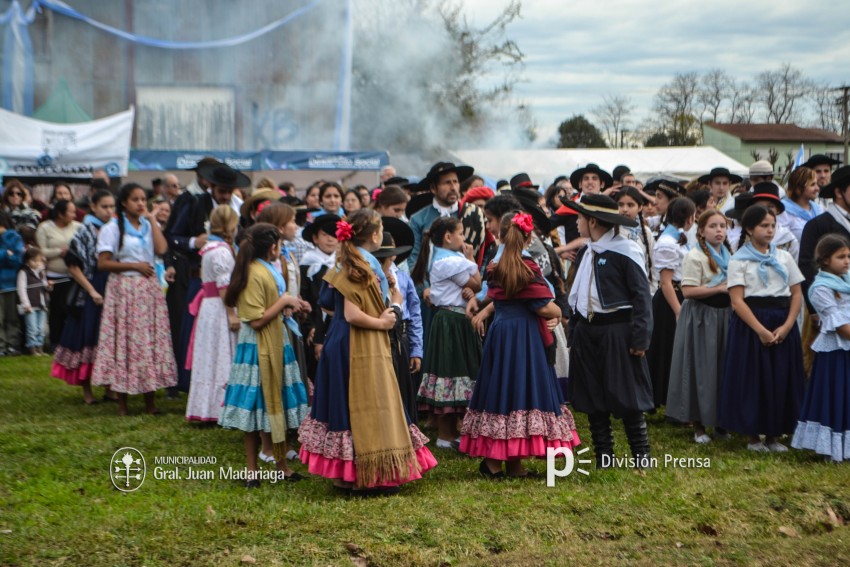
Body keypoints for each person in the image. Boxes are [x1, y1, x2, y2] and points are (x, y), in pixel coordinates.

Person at [299, 209, 437, 494]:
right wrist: (386, 318)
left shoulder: (344, 261)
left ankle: (345, 475)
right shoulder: (362, 265)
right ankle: (370, 476)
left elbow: (327, 304)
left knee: (345, 406)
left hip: (341, 339)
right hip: (359, 340)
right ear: (375, 235)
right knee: (370, 403)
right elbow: (352, 313)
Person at [459, 211, 580, 478]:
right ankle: (494, 464)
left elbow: (496, 298)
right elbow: (542, 307)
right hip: (523, 335)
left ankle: (508, 462)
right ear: (528, 238)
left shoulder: (495, 263)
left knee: (503, 389)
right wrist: (558, 313)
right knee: (522, 389)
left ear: (503, 236)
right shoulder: (526, 266)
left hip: (502, 333)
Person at [562, 194, 653, 468]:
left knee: (627, 394)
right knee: (592, 395)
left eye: (579, 218)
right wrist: (576, 331)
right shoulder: (586, 251)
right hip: (589, 331)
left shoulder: (626, 250)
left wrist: (641, 336)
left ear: (592, 220)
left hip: (617, 330)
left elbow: (642, 297)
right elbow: (580, 296)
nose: (576, 223)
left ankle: (641, 456)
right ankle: (605, 456)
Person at [218, 223, 303, 486]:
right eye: (279, 244)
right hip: (257, 347)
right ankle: (252, 471)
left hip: (275, 341)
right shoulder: (254, 273)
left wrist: (291, 304)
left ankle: (281, 466)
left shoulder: (265, 268)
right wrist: (284, 302)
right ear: (272, 246)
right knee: (255, 411)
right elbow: (255, 319)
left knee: (275, 405)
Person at [718, 205, 805, 452]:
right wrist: (760, 330)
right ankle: (753, 436)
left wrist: (788, 325)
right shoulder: (739, 259)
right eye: (763, 226)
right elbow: (737, 300)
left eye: (772, 226)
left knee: (780, 376)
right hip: (751, 324)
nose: (769, 231)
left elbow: (796, 293)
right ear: (749, 228)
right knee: (753, 378)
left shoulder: (784, 257)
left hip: (781, 318)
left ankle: (774, 435)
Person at [164, 161, 249, 394]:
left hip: (228, 278)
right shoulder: (192, 202)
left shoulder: (237, 207)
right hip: (198, 277)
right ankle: (188, 382)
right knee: (192, 330)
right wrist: (193, 242)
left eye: (229, 192)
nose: (225, 197)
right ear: (210, 186)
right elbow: (171, 235)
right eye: (221, 192)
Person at [91, 183, 177, 416]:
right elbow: (103, 263)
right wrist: (134, 266)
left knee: (147, 341)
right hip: (124, 288)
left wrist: (152, 220)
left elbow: (161, 248)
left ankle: (150, 402)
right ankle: (122, 403)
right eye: (135, 200)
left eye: (143, 199)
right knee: (126, 341)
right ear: (124, 203)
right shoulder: (112, 228)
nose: (140, 203)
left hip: (148, 290)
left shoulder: (149, 225)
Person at [412, 216, 482, 448]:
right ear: (448, 237)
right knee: (450, 373)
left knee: (456, 373)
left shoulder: (447, 259)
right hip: (451, 322)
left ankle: (452, 431)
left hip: (455, 320)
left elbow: (469, 286)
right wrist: (471, 258)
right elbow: (477, 284)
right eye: (461, 233)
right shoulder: (449, 261)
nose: (464, 238)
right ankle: (446, 434)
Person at [666, 210, 732, 443]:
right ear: (701, 231)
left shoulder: (728, 254)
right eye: (713, 226)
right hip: (702, 317)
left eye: (722, 226)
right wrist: (719, 288)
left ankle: (722, 422)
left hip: (725, 315)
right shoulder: (695, 257)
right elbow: (688, 291)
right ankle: (699, 425)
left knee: (723, 367)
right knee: (701, 369)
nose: (719, 231)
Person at [51, 190, 116, 403]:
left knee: (109, 338)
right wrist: (91, 291)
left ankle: (109, 388)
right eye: (104, 207)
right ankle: (87, 391)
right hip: (90, 289)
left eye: (111, 206)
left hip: (112, 286)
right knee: (87, 337)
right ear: (93, 207)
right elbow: (73, 266)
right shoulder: (85, 231)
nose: (109, 211)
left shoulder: (114, 228)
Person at [791, 234, 850, 461]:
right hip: (835, 350)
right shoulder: (820, 288)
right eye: (841, 257)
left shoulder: (847, 280)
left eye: (848, 256)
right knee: (835, 393)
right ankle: (832, 448)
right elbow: (838, 324)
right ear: (825, 260)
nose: (846, 261)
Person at [184, 206, 239, 422]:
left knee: (211, 356)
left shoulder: (210, 247)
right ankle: (218, 408)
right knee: (221, 354)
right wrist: (232, 314)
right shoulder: (221, 251)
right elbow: (223, 285)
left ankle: (207, 406)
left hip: (209, 305)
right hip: (218, 306)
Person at [799, 166, 850, 375]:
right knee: (818, 364)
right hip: (824, 303)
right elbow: (805, 264)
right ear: (838, 192)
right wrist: (813, 309)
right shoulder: (818, 225)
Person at [647, 197, 696, 410]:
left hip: (679, 296)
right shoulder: (668, 242)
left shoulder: (677, 238)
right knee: (667, 350)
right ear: (690, 218)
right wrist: (678, 310)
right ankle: (665, 399)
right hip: (671, 300)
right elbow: (665, 281)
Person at [373, 218, 421, 422]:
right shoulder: (372, 280)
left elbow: (415, 314)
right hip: (381, 339)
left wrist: (416, 349)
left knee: (403, 385)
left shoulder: (402, 277)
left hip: (401, 338)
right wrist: (395, 302)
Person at [35, 199, 81, 349]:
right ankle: (55, 341)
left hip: (74, 276)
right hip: (54, 277)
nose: (74, 215)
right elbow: (41, 251)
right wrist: (60, 252)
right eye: (71, 212)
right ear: (61, 214)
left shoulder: (78, 227)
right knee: (56, 310)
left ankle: (70, 341)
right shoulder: (45, 228)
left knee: (72, 309)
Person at [299, 214, 340, 381]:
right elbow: (305, 298)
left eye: (334, 235)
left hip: (337, 323)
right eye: (325, 235)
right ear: (315, 238)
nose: (330, 239)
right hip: (314, 325)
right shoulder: (307, 265)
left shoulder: (342, 263)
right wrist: (310, 328)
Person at [614, 186, 657, 295]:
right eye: (620, 204)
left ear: (640, 207)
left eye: (630, 205)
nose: (624, 209)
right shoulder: (611, 231)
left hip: (643, 291)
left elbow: (652, 265)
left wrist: (651, 293)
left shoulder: (646, 232)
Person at [16, 246, 51, 355]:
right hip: (30, 306)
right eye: (34, 260)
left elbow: (45, 287)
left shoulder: (41, 272)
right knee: (32, 329)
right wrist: (26, 304)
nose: (37, 263)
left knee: (41, 329)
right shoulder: (23, 272)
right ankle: (32, 349)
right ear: (27, 260)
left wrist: (49, 286)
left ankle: (40, 348)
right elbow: (21, 289)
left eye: (39, 261)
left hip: (42, 304)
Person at [0, 212, 24, 356]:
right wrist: (5, 254)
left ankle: (13, 344)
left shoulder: (14, 237)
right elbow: (8, 256)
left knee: (11, 316)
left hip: (10, 284)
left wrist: (9, 256)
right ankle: (1, 345)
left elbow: (16, 260)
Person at [780, 166, 822, 244]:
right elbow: (782, 241)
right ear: (798, 189)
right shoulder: (783, 210)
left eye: (817, 184)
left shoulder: (818, 209)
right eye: (812, 185)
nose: (817, 188)